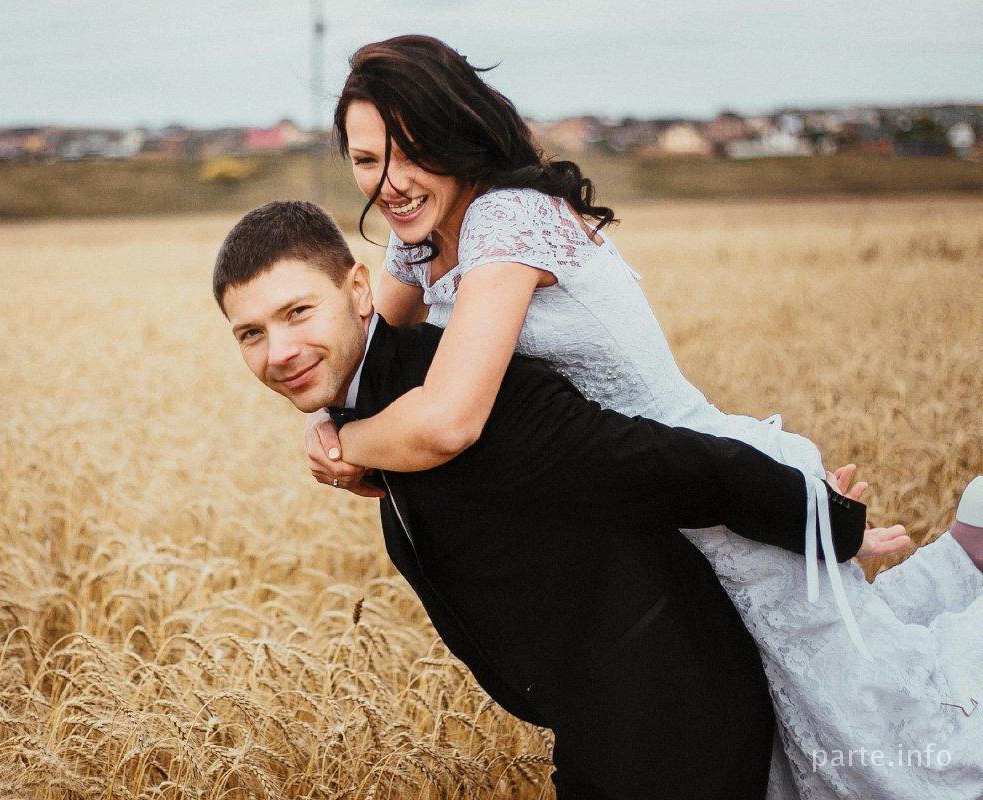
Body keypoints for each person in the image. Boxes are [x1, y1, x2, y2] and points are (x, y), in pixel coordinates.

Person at [301, 34, 983, 800]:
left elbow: (448, 419)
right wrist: (326, 426)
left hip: (716, 497)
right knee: (801, 736)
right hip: (647, 509)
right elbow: (366, 364)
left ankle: (970, 554)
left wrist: (344, 443)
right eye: (367, 161)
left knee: (877, 749)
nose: (390, 184)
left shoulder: (505, 219)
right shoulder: (419, 243)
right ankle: (967, 553)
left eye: (413, 152)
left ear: (458, 132)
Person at [212, 198, 903, 800]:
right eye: (252, 333)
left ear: (360, 290)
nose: (280, 351)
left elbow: (661, 463)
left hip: (673, 718)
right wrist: (334, 429)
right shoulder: (373, 411)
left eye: (298, 312)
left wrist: (828, 523)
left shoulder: (455, 391)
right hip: (598, 726)